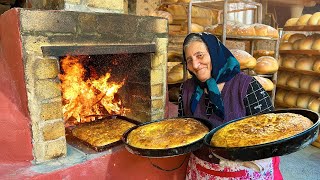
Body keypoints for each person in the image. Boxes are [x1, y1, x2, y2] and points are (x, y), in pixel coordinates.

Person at [178, 32, 283, 180]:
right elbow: (182, 129)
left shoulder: (247, 86)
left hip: (245, 171)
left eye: (200, 56)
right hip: (202, 171)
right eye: (189, 60)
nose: (195, 64)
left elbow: (272, 131)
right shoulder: (186, 89)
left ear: (214, 53)